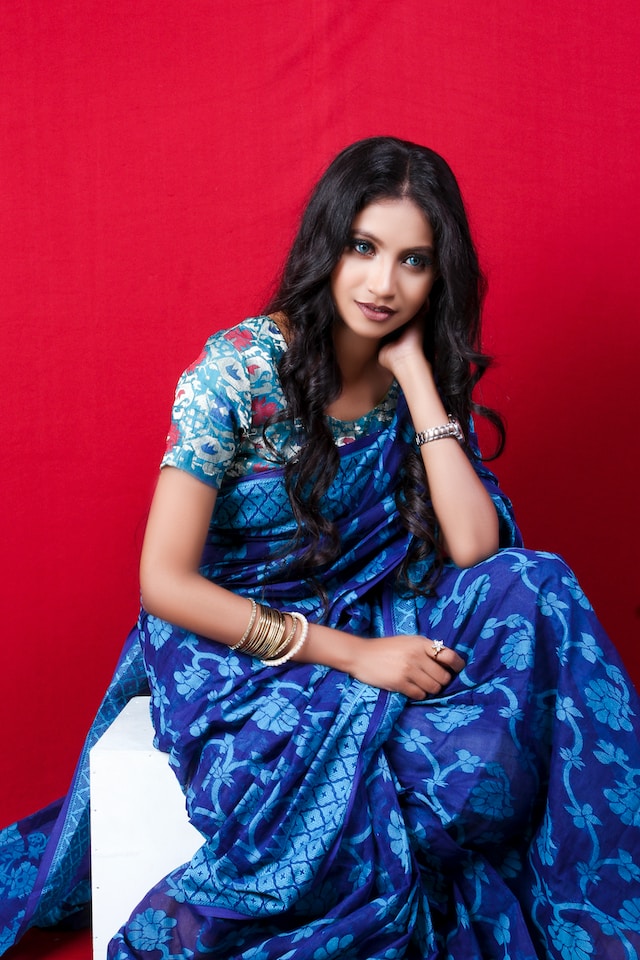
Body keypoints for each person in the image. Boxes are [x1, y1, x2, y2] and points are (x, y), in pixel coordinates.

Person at [1, 136, 639, 959]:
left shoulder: (416, 365)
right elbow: (163, 581)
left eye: (414, 261)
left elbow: (480, 551)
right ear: (326, 242)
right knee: (425, 761)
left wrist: (417, 382)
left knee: (539, 585)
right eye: (364, 248)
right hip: (240, 640)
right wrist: (350, 657)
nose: (383, 284)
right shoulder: (235, 372)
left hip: (382, 605)